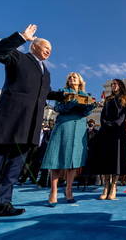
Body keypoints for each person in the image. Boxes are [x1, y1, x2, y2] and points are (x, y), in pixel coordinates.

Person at [0, 24, 64, 229]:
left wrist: (65, 95)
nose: (49, 51)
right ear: (34, 46)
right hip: (9, 123)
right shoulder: (18, 58)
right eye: (46, 47)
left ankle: (1, 204)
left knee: (13, 170)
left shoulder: (46, 72)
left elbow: (44, 94)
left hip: (29, 128)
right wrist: (21, 37)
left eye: (51, 50)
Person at [41, 72, 96, 206]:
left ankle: (69, 190)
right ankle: (53, 191)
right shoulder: (63, 92)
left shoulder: (86, 95)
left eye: (74, 77)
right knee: (57, 158)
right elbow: (58, 108)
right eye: (70, 77)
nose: (72, 79)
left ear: (80, 81)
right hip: (64, 126)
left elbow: (85, 113)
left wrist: (90, 107)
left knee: (73, 160)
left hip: (79, 128)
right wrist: (70, 104)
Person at [92, 79, 126, 200]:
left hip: (118, 131)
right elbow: (103, 114)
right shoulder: (108, 99)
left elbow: (124, 115)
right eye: (112, 84)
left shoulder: (125, 98)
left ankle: (113, 186)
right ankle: (106, 186)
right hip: (106, 131)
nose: (113, 86)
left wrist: (114, 124)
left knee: (116, 159)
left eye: (115, 84)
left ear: (120, 86)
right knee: (106, 159)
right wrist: (105, 124)